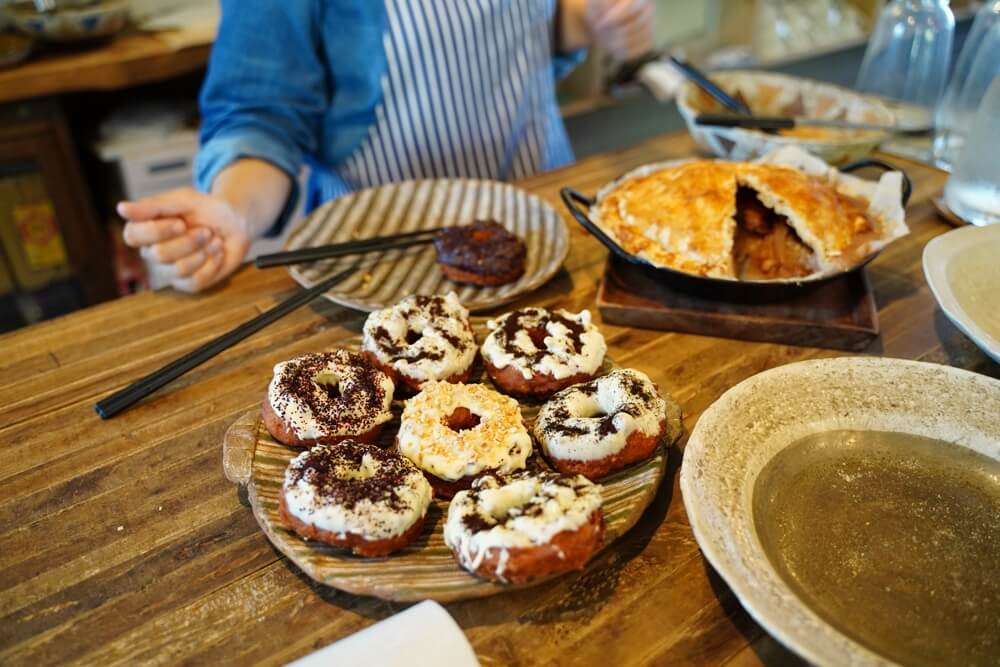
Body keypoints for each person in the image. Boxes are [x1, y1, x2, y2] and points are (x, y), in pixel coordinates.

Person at [120, 0, 653, 292]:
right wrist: (234, 209)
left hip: (543, 229)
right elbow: (260, 111)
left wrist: (593, 22)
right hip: (382, 267)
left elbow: (532, 24)